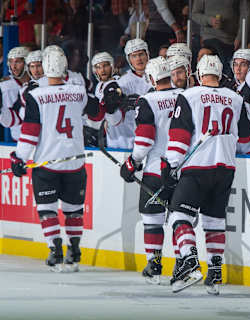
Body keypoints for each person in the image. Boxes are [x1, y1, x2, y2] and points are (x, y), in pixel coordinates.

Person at [163, 55, 250, 294]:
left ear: (198, 73)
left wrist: (170, 164)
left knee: (178, 216)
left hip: (198, 167)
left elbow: (180, 137)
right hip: (225, 167)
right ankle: (214, 273)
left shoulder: (189, 95)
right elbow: (245, 136)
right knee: (214, 220)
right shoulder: (235, 98)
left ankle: (190, 260)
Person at [9, 47, 102, 272]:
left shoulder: (35, 96)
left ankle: (55, 249)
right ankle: (75, 251)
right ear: (65, 66)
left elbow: (30, 133)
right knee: (73, 210)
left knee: (47, 208)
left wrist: (18, 158)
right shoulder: (79, 91)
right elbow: (98, 115)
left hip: (47, 164)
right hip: (75, 163)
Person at [120, 57, 183, 285]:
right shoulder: (184, 96)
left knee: (152, 218)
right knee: (178, 218)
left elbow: (144, 141)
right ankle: (181, 265)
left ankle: (154, 265)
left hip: (156, 170)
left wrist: (132, 162)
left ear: (151, 78)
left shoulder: (147, 100)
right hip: (181, 168)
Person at [103, 38, 152, 149]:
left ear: (147, 55)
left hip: (151, 139)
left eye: (141, 54)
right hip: (128, 140)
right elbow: (114, 118)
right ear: (129, 59)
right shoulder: (123, 83)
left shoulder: (158, 77)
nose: (138, 59)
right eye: (134, 56)